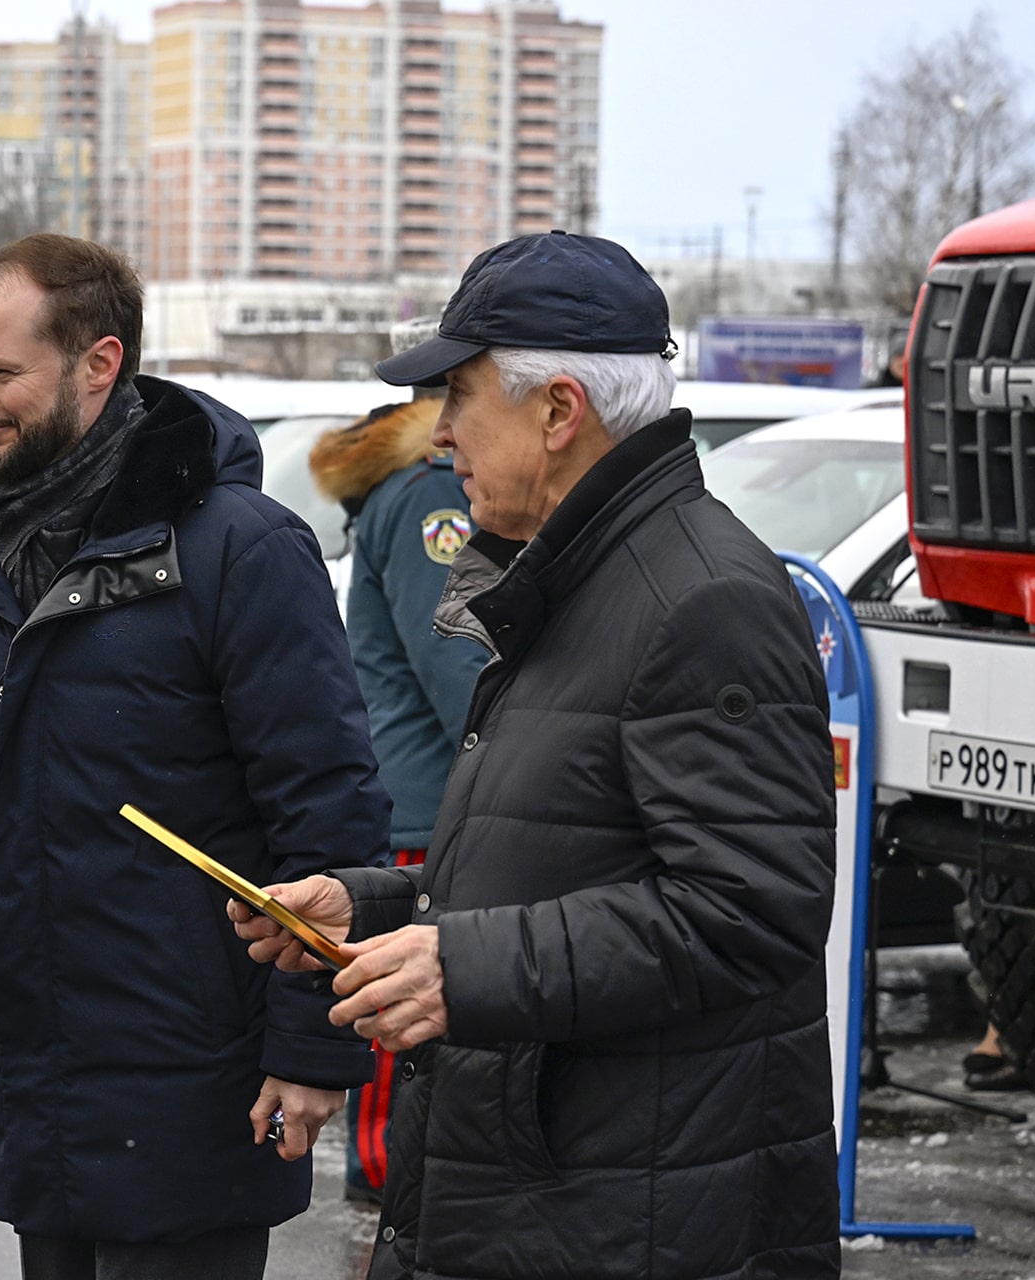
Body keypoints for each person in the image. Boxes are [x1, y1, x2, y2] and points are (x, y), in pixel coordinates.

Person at [235, 231, 842, 1279]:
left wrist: (460, 968)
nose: (437, 436)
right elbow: (562, 856)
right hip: (560, 1188)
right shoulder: (575, 573)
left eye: (458, 398)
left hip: (629, 1212)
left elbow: (749, 907)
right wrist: (377, 909)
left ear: (559, 411)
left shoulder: (700, 598)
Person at [0, 233, 389, 1280]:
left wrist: (310, 1050)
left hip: (195, 1079)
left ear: (97, 364)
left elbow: (327, 812)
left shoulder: (238, 549)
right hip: (30, 1062)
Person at [305, 357, 486, 1203]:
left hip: (425, 798)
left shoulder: (418, 487)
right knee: (401, 1065)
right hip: (428, 804)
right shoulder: (430, 499)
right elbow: (461, 671)